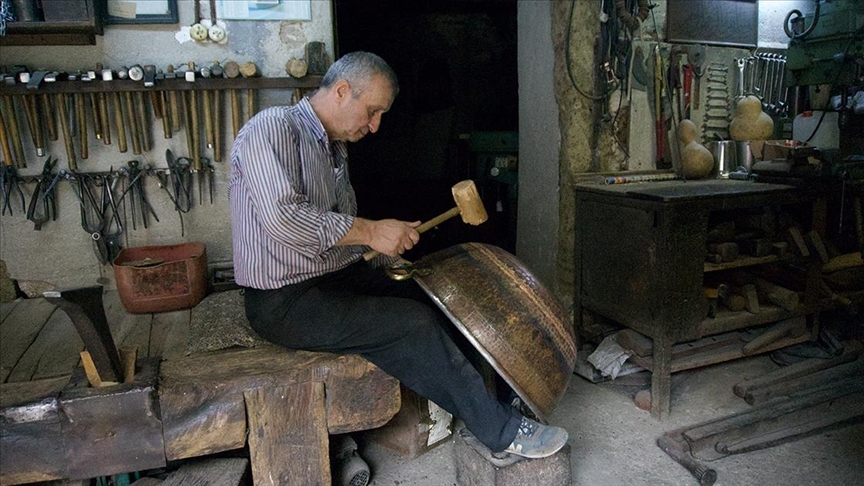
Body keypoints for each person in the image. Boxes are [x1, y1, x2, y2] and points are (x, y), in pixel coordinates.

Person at [229, 51, 568, 459]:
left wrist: (383, 252)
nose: (374, 126)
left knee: (439, 295)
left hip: (332, 278)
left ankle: (501, 400)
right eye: (372, 112)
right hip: (283, 301)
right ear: (340, 91)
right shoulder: (270, 130)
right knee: (410, 324)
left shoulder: (333, 148)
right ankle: (500, 432)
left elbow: (335, 235)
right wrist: (372, 229)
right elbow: (285, 220)